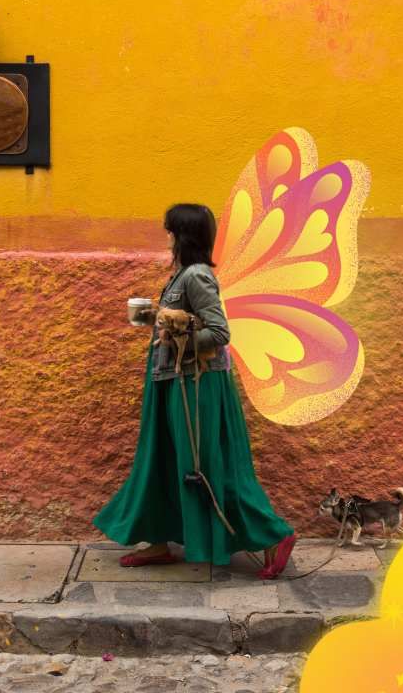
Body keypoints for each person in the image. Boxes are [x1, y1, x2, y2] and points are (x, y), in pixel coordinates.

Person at [94, 203, 298, 579]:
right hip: (172, 380)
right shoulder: (182, 275)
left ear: (182, 236)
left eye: (170, 231)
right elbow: (185, 322)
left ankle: (272, 536)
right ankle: (157, 540)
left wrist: (177, 338)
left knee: (204, 467)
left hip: (195, 386)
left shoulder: (197, 276)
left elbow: (219, 334)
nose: (167, 237)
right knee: (163, 459)